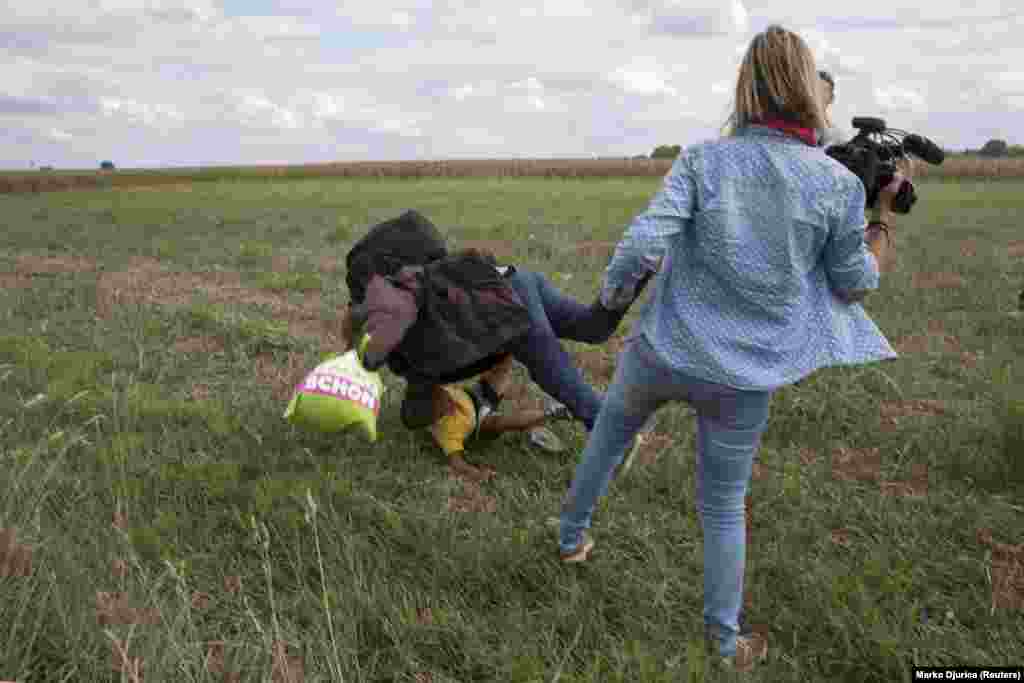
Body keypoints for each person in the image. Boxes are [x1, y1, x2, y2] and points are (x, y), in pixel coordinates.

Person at [557, 25, 899, 672]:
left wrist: (608, 303)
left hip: (661, 348)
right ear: (807, 89)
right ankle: (722, 641)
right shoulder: (835, 186)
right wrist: (879, 223)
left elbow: (639, 246)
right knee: (722, 502)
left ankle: (570, 537)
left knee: (606, 436)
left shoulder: (703, 160)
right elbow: (855, 285)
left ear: (748, 85)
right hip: (744, 377)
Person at [344, 249, 657, 470]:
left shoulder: (421, 366)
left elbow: (478, 357)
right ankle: (639, 267)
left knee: (559, 379)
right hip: (514, 279)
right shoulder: (396, 297)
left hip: (505, 306)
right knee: (592, 326)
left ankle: (619, 438)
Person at [817, 70, 844, 147]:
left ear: (831, 98)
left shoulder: (837, 136)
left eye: (823, 90)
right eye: (814, 89)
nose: (817, 94)